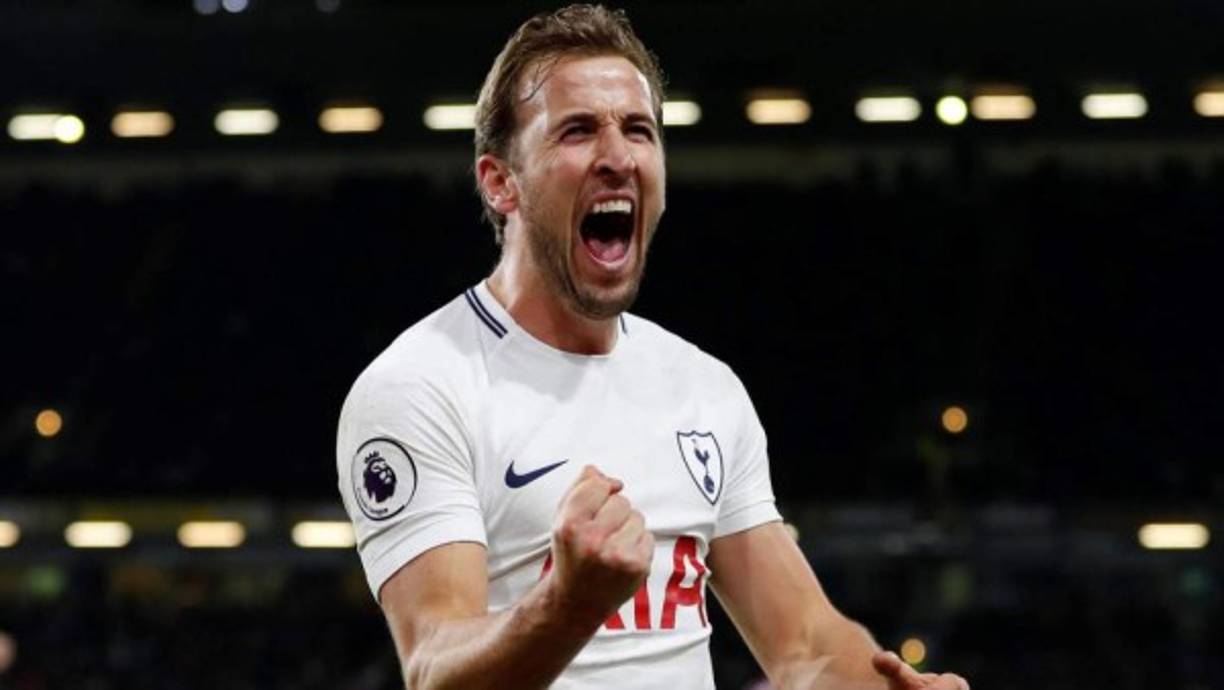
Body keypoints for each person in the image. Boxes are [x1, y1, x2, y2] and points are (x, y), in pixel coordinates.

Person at [336, 5, 971, 689]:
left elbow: (806, 644)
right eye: (578, 131)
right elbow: (434, 667)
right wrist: (566, 605)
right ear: (501, 183)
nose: (617, 157)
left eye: (639, 130)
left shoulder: (702, 386)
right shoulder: (422, 384)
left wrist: (891, 686)